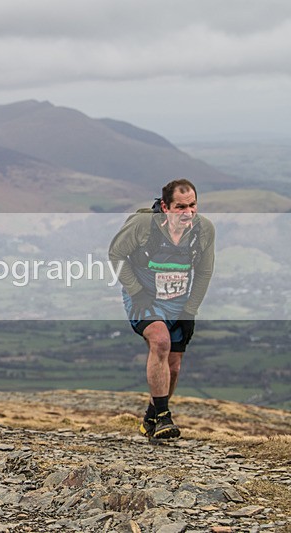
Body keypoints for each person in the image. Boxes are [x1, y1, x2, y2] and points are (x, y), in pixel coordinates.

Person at [109, 179, 215, 442]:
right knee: (160, 341)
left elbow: (204, 272)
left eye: (192, 205)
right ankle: (164, 416)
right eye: (180, 207)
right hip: (144, 299)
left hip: (178, 302)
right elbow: (115, 255)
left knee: (175, 366)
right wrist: (136, 292)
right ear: (165, 207)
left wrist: (190, 311)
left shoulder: (203, 230)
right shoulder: (143, 226)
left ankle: (151, 417)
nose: (187, 212)